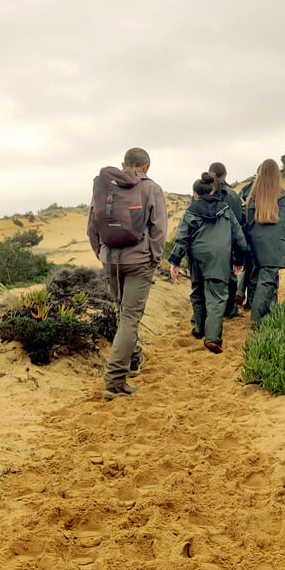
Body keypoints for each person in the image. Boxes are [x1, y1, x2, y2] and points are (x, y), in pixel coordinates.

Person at [87, 147, 167, 400]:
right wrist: (154, 259)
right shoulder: (151, 188)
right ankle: (114, 381)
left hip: (110, 260)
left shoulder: (104, 186)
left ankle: (132, 360)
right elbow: (159, 230)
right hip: (139, 261)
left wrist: (101, 253)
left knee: (123, 313)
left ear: (124, 165)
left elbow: (92, 226)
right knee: (130, 318)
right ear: (146, 166)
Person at [168, 173, 247, 354]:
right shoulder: (225, 210)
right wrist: (239, 260)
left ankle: (199, 329)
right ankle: (212, 337)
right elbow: (239, 238)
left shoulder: (191, 211)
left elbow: (182, 238)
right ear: (212, 190)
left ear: (195, 193)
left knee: (197, 292)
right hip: (220, 257)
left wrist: (175, 261)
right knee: (217, 297)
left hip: (197, 256)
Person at [243, 159, 285, 323]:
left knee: (260, 278)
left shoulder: (251, 197)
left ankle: (271, 314)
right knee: (267, 280)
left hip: (255, 243)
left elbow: (247, 223)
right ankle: (257, 320)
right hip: (275, 244)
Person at [208, 162, 245, 318]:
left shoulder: (199, 191)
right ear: (224, 175)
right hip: (226, 241)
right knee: (229, 277)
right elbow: (238, 221)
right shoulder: (232, 195)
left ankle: (207, 310)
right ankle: (229, 310)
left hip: (204, 242)